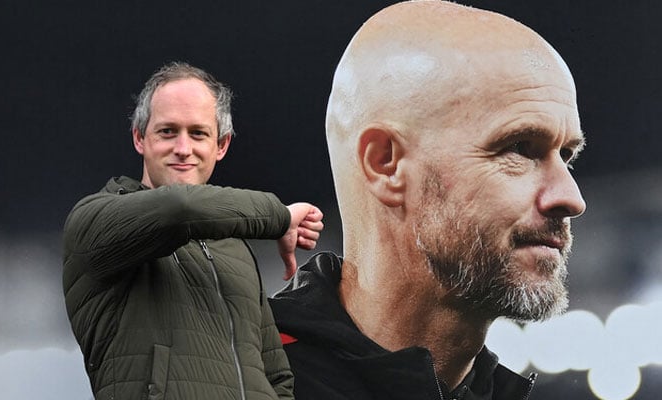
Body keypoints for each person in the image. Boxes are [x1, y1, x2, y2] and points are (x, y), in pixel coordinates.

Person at [270, 1, 587, 399]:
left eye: (567, 157)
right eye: (520, 148)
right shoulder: (231, 381)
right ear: (386, 164)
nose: (571, 199)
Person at [63, 61, 323, 400]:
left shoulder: (235, 248)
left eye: (198, 133)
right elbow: (180, 209)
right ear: (140, 138)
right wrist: (279, 217)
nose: (183, 149)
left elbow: (277, 376)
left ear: (222, 145)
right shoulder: (94, 220)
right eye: (168, 131)